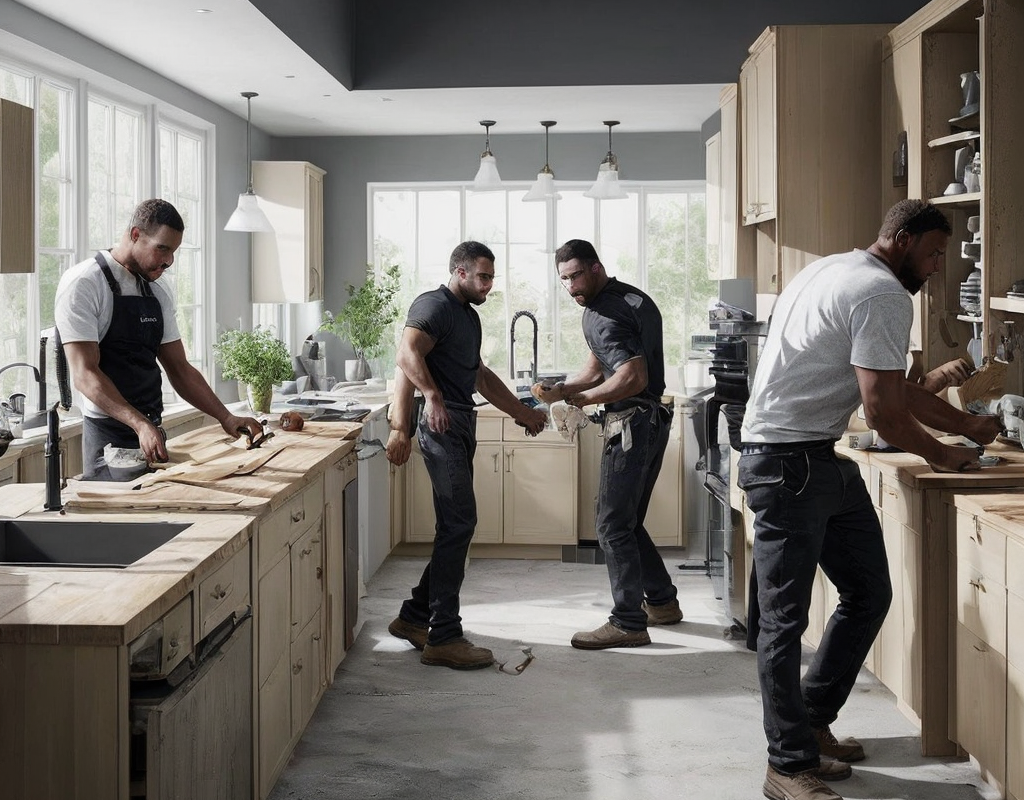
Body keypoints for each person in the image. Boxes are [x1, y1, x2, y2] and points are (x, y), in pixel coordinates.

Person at [738, 199, 1002, 800]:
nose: (938, 267)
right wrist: (945, 453)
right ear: (904, 240)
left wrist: (967, 430)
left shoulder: (833, 267)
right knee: (784, 621)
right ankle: (787, 765)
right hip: (787, 463)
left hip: (811, 456)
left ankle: (808, 721)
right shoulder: (883, 294)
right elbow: (884, 414)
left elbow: (895, 391)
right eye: (935, 252)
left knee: (867, 592)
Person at [385, 241, 547, 670]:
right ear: (459, 272)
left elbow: (479, 376)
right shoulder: (434, 305)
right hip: (441, 426)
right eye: (483, 276)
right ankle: (444, 636)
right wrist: (426, 404)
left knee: (454, 526)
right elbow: (406, 354)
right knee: (460, 522)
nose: (489, 285)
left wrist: (522, 413)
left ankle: (416, 618)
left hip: (459, 424)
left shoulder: (467, 319)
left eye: (491, 277)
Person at [532, 239, 681, 650]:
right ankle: (663, 602)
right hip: (651, 420)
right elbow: (602, 366)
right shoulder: (632, 299)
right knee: (627, 521)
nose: (570, 287)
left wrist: (583, 399)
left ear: (596, 267)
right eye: (563, 279)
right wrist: (563, 388)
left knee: (611, 523)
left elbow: (632, 377)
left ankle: (628, 621)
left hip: (630, 422)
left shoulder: (601, 312)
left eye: (576, 275)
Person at [55, 199, 263, 481]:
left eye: (173, 251)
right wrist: (139, 424)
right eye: (162, 248)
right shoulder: (85, 284)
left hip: (152, 432)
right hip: (109, 438)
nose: (169, 261)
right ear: (135, 235)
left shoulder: (158, 290)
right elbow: (85, 375)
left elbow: (180, 369)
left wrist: (226, 418)